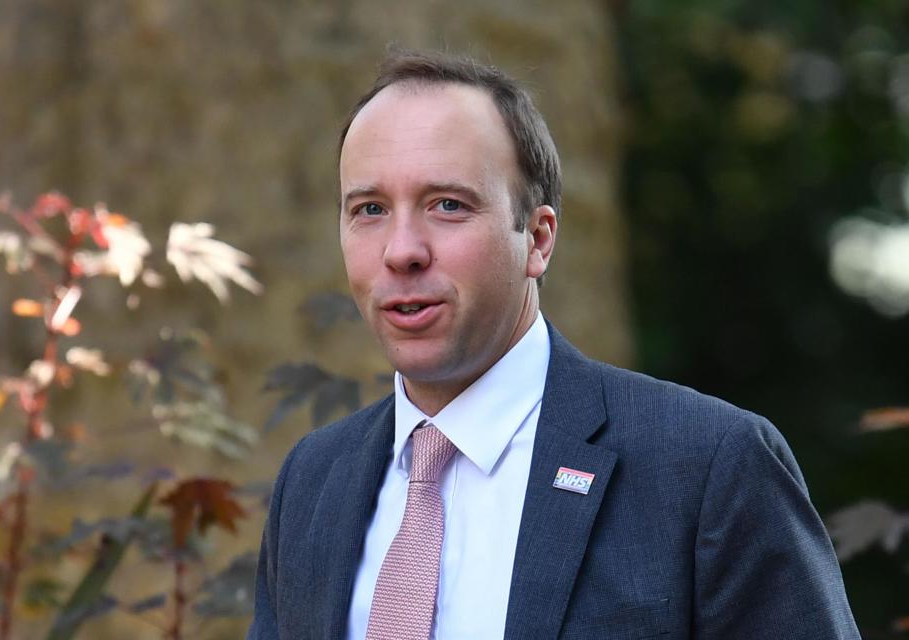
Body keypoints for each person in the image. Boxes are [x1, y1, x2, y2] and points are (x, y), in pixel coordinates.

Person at [248, 50, 859, 640]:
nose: (401, 249)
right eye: (370, 208)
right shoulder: (312, 480)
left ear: (538, 239)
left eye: (448, 205)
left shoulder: (708, 467)